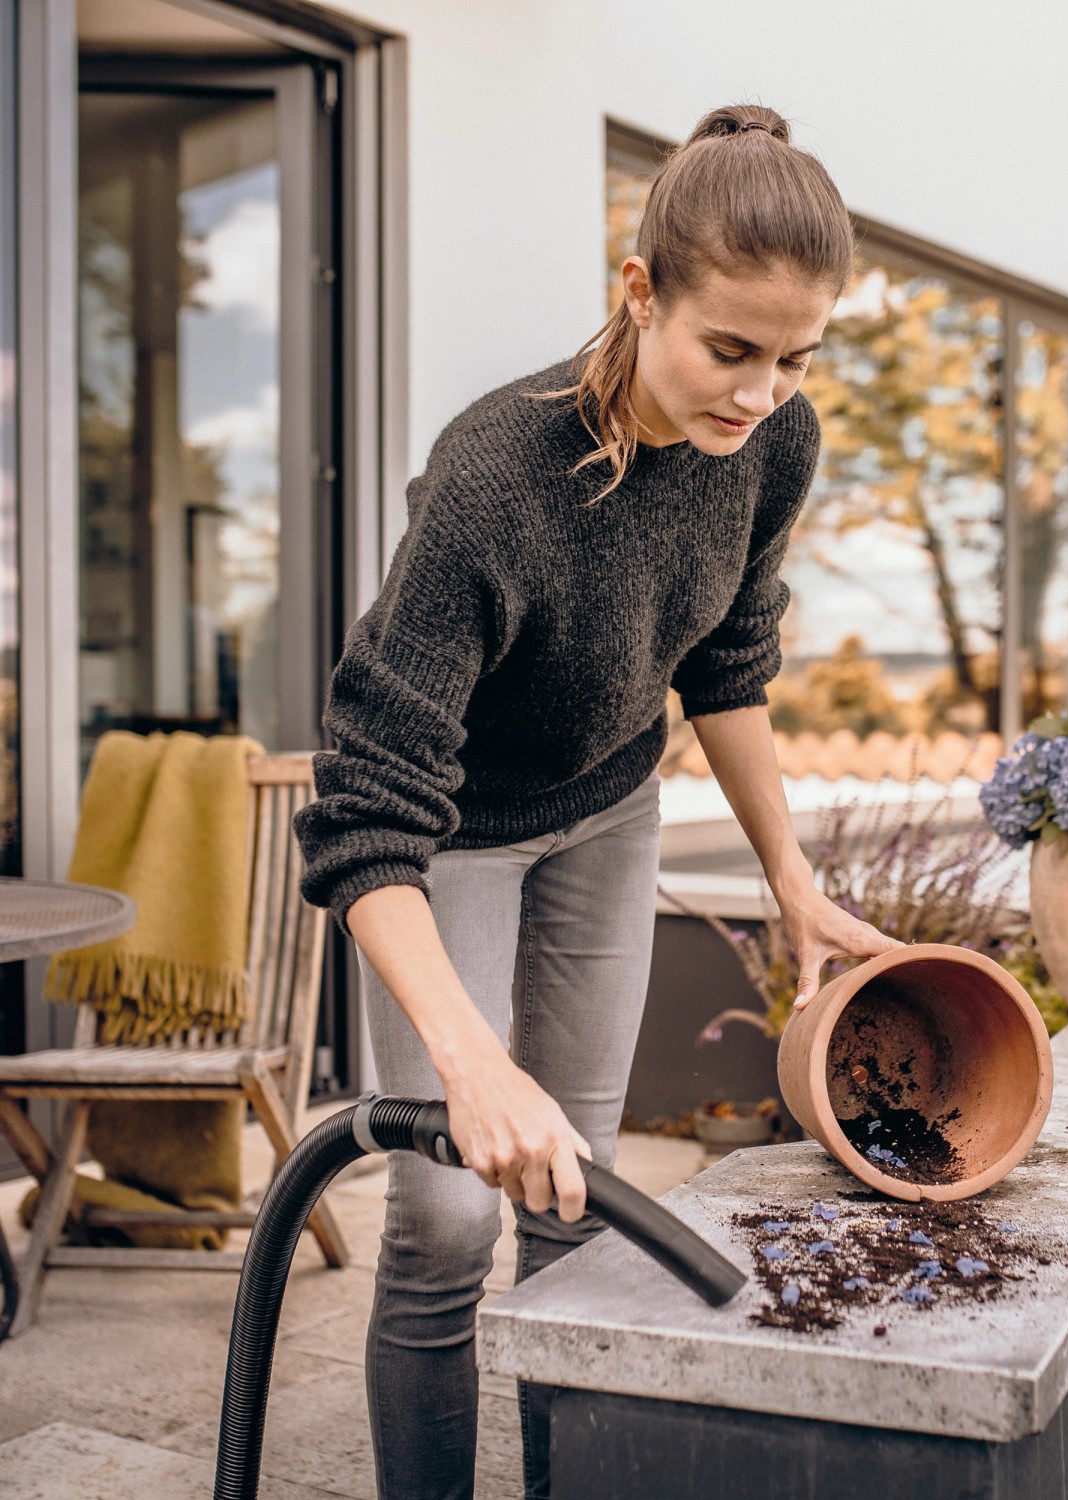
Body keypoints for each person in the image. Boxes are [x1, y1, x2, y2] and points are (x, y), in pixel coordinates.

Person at [293, 102, 902, 1500]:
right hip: (449, 839)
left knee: (581, 1200)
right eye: (730, 349)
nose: (759, 392)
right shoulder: (492, 480)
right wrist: (469, 1056)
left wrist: (794, 880)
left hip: (611, 809)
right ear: (639, 293)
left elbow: (727, 668)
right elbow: (365, 813)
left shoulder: (770, 444)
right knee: (448, 1214)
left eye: (796, 357)